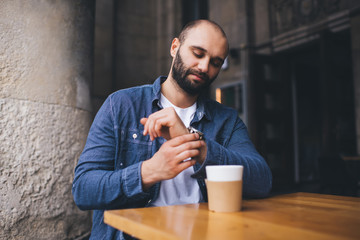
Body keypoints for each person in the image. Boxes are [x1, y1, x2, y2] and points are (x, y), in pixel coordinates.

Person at [72, 19, 272, 239]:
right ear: (174, 47)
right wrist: (149, 172)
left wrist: (195, 146)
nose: (205, 67)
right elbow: (83, 190)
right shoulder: (121, 105)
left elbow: (262, 181)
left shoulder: (227, 120)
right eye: (198, 53)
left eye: (215, 62)